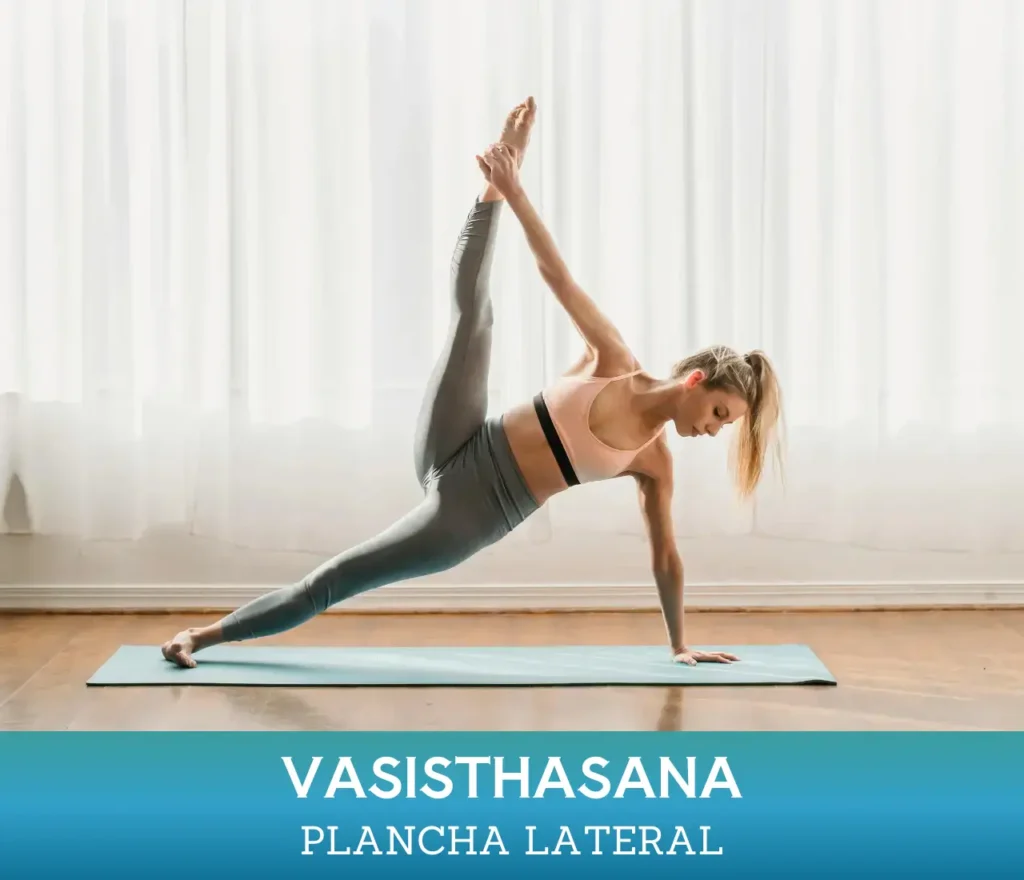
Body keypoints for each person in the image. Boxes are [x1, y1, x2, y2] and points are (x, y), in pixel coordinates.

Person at [161, 97, 784, 670]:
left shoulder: (653, 463)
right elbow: (556, 273)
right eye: (720, 414)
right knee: (476, 318)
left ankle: (199, 637)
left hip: (466, 517)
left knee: (336, 578)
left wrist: (679, 644)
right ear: (698, 381)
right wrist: (513, 191)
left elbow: (666, 558)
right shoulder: (613, 360)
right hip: (457, 438)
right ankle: (495, 176)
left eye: (723, 426)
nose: (712, 431)